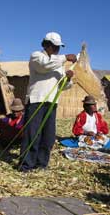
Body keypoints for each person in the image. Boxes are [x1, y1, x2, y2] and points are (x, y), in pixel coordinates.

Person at [19, 32, 77, 172]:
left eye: (58, 47)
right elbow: (44, 66)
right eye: (54, 46)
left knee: (48, 136)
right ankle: (26, 165)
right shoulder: (36, 56)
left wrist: (68, 79)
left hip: (52, 102)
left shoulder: (58, 64)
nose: (57, 49)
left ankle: (41, 164)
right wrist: (64, 58)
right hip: (36, 101)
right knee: (33, 134)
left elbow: (63, 86)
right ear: (45, 45)